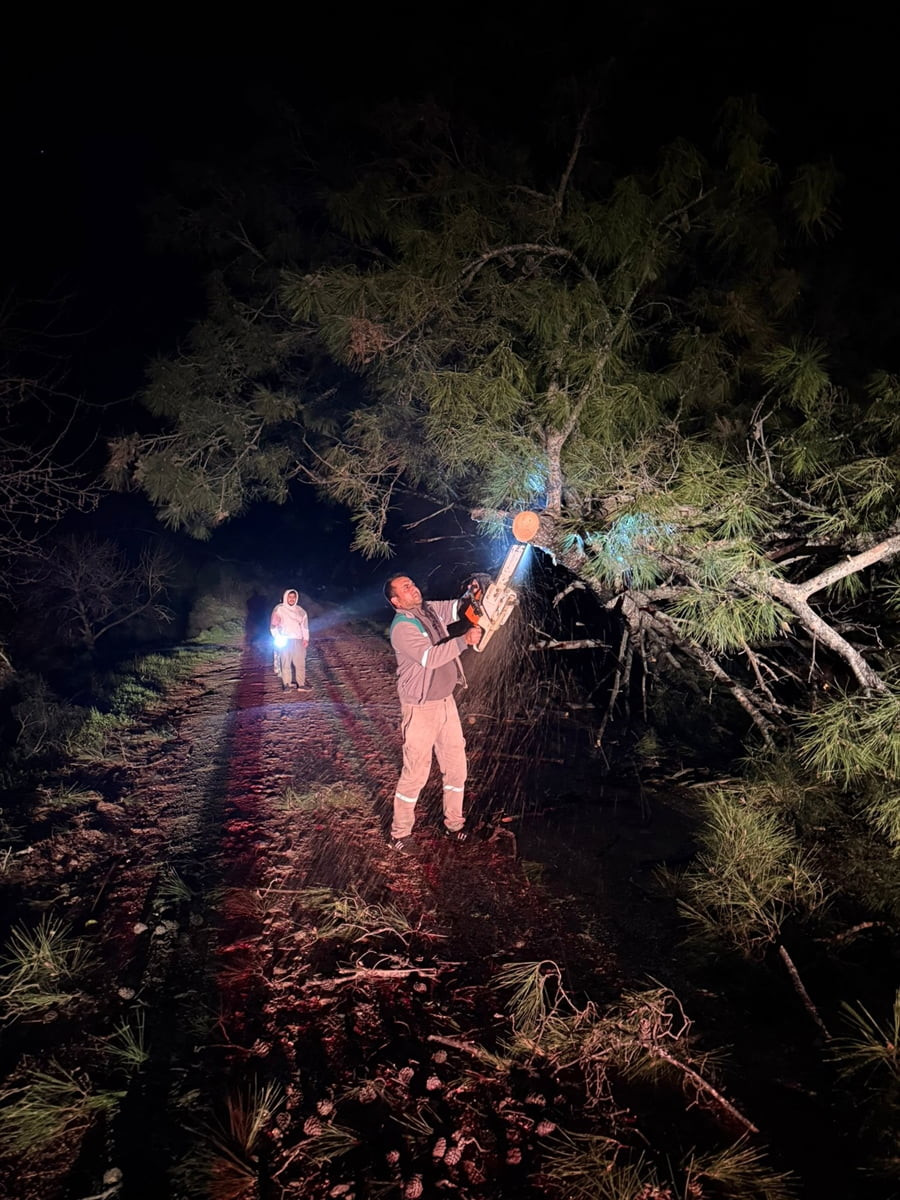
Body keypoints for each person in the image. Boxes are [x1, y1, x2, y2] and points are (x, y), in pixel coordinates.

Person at [384, 573, 483, 853]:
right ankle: (399, 835)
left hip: (445, 702)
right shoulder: (402, 627)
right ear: (396, 601)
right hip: (420, 707)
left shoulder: (428, 609)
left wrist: (473, 594)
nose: (413, 588)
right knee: (416, 773)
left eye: (412, 583)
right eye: (406, 588)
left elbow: (456, 608)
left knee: (456, 767)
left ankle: (454, 825)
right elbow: (430, 658)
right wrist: (463, 641)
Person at [270, 589, 310, 691]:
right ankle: (287, 684)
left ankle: (301, 684)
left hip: (298, 640)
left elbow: (304, 627)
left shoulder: (301, 611)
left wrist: (306, 639)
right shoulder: (279, 609)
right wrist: (278, 638)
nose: (292, 599)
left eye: (294, 597)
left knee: (300, 663)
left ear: (296, 598)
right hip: (285, 640)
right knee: (285, 663)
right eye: (290, 596)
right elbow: (273, 626)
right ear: (285, 597)